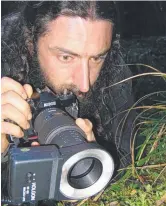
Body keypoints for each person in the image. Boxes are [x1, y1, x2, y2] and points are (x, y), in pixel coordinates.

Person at [1, 1, 135, 176]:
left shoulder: (115, 74)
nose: (84, 84)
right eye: (66, 57)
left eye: (96, 59)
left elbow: (127, 162)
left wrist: (93, 167)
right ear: (30, 41)